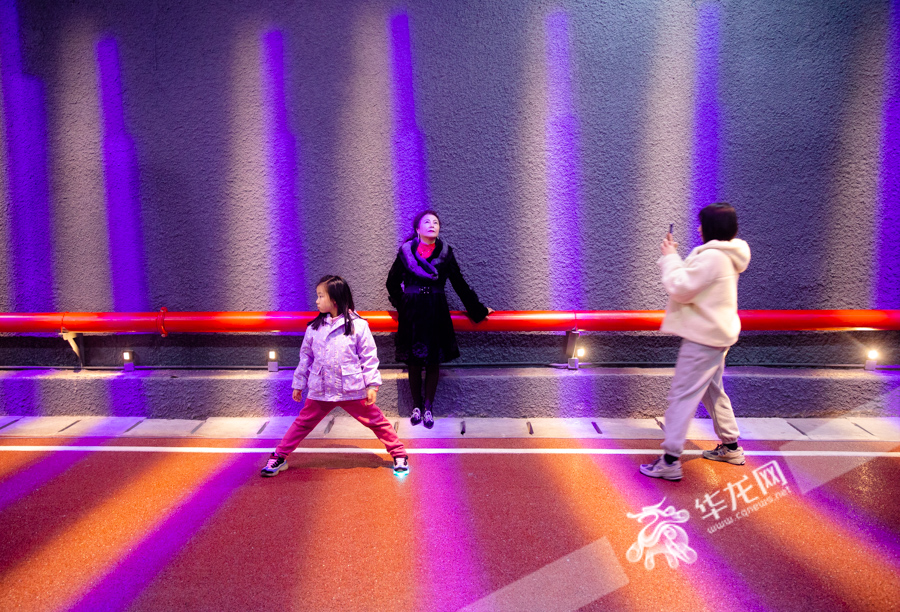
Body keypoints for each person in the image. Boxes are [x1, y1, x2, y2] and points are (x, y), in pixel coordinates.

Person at [640, 203, 751, 481]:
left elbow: (680, 288)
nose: (699, 228)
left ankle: (669, 460)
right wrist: (675, 257)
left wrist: (669, 257)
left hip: (703, 338)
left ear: (711, 228)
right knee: (712, 391)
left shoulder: (712, 257)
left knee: (682, 396)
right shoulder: (726, 255)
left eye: (702, 224)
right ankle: (731, 446)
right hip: (718, 336)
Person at [261, 275, 409, 476]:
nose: (317, 301)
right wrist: (299, 384)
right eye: (317, 296)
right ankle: (280, 455)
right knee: (302, 424)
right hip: (321, 389)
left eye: (321, 296)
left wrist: (372, 385)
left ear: (335, 300)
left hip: (352, 388)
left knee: (377, 421)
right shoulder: (314, 327)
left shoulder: (358, 325)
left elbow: (369, 357)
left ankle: (398, 453)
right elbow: (305, 357)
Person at [386, 210, 493, 428]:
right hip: (413, 312)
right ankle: (416, 407)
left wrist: (478, 310)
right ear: (417, 229)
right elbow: (391, 283)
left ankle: (428, 408)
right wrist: (403, 303)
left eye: (436, 222)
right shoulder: (406, 252)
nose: (432, 225)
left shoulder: (446, 253)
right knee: (414, 362)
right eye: (427, 222)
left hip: (436, 310)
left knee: (433, 360)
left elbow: (459, 284)